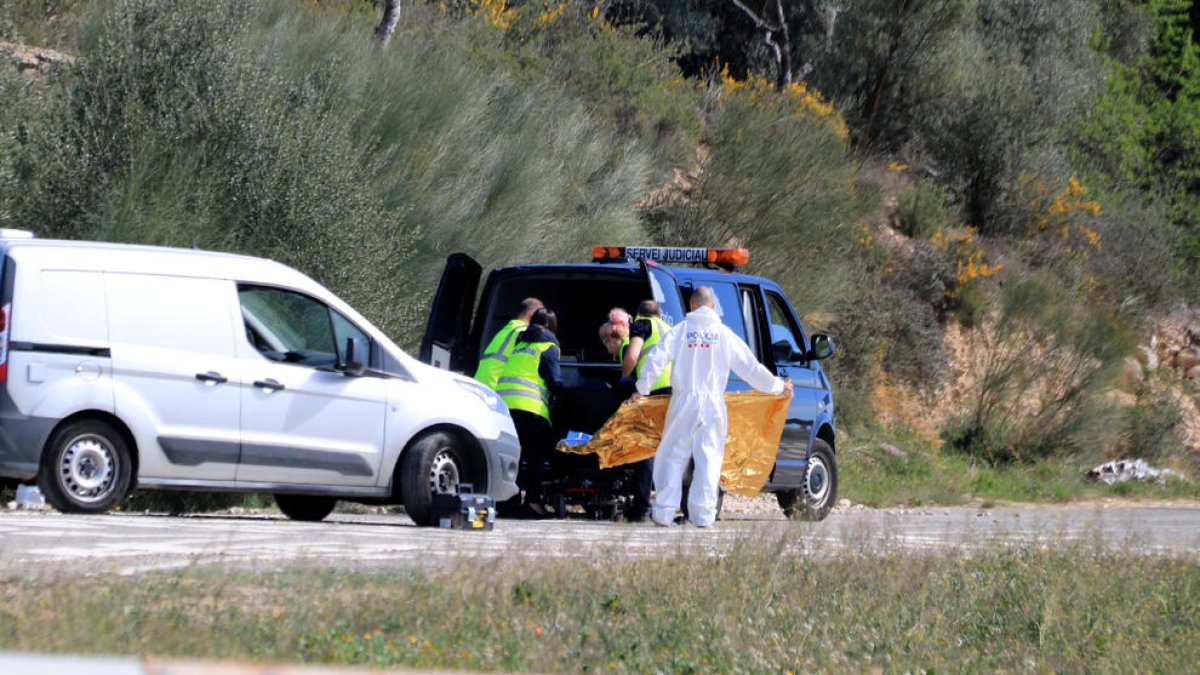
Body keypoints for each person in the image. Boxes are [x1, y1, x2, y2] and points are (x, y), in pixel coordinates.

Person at [634, 286, 793, 528]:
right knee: (709, 458)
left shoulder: (681, 331)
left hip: (683, 401)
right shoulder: (724, 334)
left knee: (672, 456)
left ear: (691, 306)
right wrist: (778, 386)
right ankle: (703, 516)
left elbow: (656, 359)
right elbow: (750, 368)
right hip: (713, 404)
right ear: (713, 307)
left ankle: (664, 512)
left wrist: (642, 388)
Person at [496, 307, 563, 516]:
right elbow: (553, 382)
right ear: (552, 327)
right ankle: (533, 501)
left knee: (513, 456)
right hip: (531, 409)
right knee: (536, 457)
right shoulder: (549, 347)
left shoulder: (519, 344)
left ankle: (508, 500)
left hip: (505, 408)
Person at [474, 297, 543, 391]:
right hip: (495, 388)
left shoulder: (508, 329)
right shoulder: (523, 332)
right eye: (541, 315)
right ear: (533, 314)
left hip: (481, 385)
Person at [621, 300, 672, 392]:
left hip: (653, 388)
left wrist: (625, 374)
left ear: (638, 314)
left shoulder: (641, 324)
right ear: (658, 314)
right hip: (674, 390)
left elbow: (632, 357)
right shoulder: (670, 329)